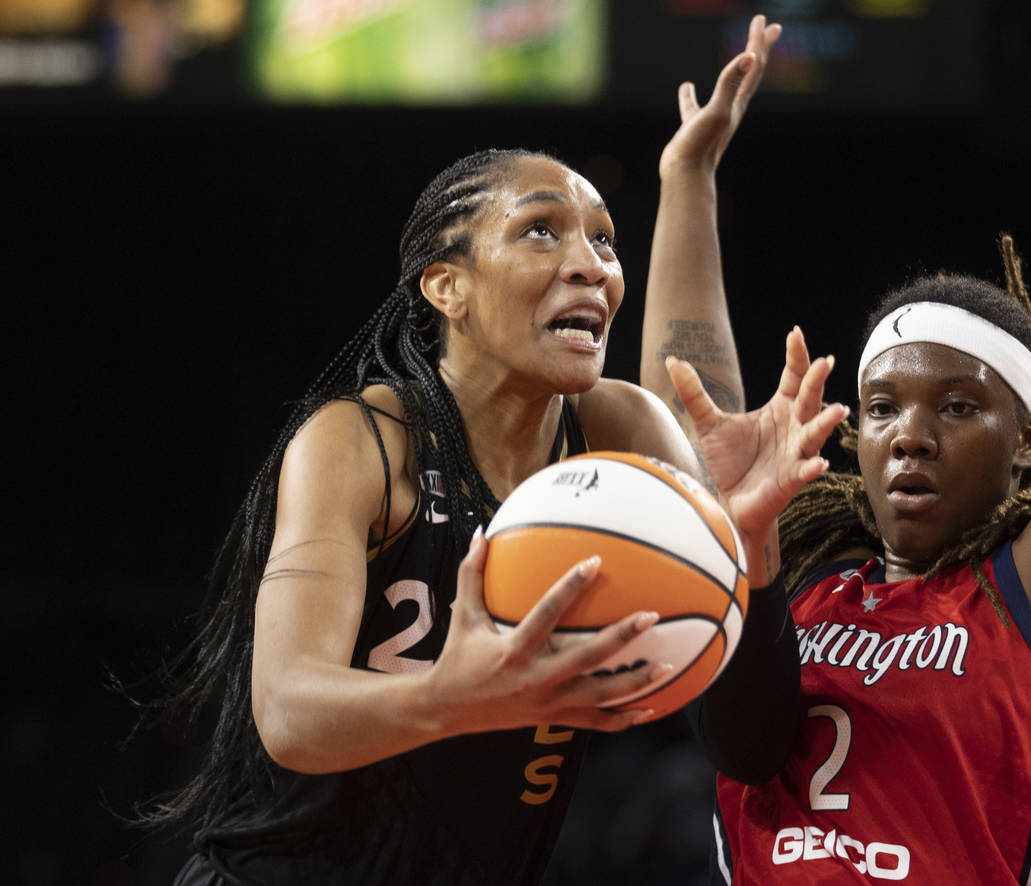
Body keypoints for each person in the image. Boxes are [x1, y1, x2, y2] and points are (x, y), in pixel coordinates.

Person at [125, 15, 838, 884]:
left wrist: (750, 554)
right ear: (447, 286)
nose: (591, 264)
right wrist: (450, 697)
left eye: (606, 239)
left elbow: (752, 747)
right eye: (542, 229)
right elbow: (290, 711)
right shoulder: (362, 439)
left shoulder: (619, 431)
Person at [643, 1, 1031, 883]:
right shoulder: (801, 580)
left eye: (959, 408)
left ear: (1030, 438)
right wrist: (687, 181)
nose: (911, 437)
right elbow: (690, 408)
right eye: (884, 407)